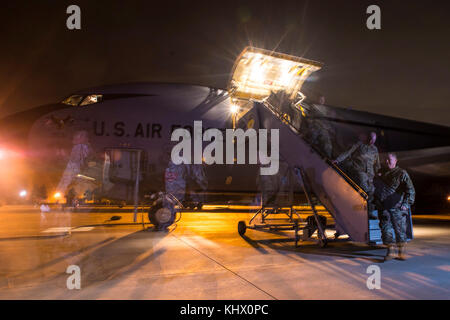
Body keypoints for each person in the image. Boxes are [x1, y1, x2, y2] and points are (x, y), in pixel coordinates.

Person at [374, 153, 415, 261]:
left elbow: (410, 190)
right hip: (383, 208)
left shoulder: (401, 173)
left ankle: (401, 252)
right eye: (386, 159)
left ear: (396, 161)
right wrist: (376, 202)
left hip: (397, 207)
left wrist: (406, 204)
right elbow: (375, 188)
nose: (387, 161)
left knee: (400, 230)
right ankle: (390, 251)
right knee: (385, 230)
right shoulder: (381, 173)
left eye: (389, 159)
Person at [332, 131, 380, 198]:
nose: (371, 141)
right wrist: (337, 160)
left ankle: (367, 205)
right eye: (370, 138)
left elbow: (377, 162)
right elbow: (348, 152)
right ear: (368, 137)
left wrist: (378, 172)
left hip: (370, 173)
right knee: (364, 186)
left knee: (372, 190)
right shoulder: (359, 144)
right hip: (359, 169)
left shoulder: (375, 149)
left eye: (373, 140)